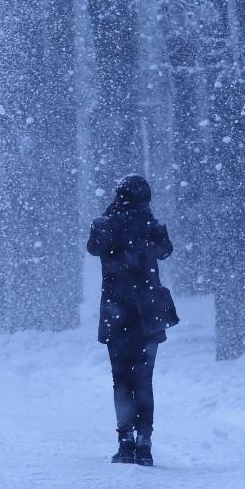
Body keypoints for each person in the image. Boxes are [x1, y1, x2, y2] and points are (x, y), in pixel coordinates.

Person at [87, 174, 173, 466]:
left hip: (116, 311)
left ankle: (125, 441)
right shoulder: (152, 227)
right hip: (147, 315)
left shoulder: (104, 225)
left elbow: (93, 247)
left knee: (121, 380)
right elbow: (165, 251)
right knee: (144, 379)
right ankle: (145, 442)